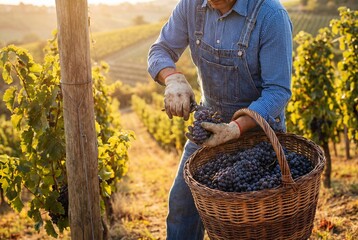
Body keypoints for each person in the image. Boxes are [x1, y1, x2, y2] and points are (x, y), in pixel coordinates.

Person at [147, 0, 293, 239]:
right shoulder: (190, 6)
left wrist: (235, 128)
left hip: (258, 137)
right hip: (209, 128)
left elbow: (277, 91)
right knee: (183, 207)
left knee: (249, 224)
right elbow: (160, 50)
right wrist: (172, 78)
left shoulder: (270, 16)